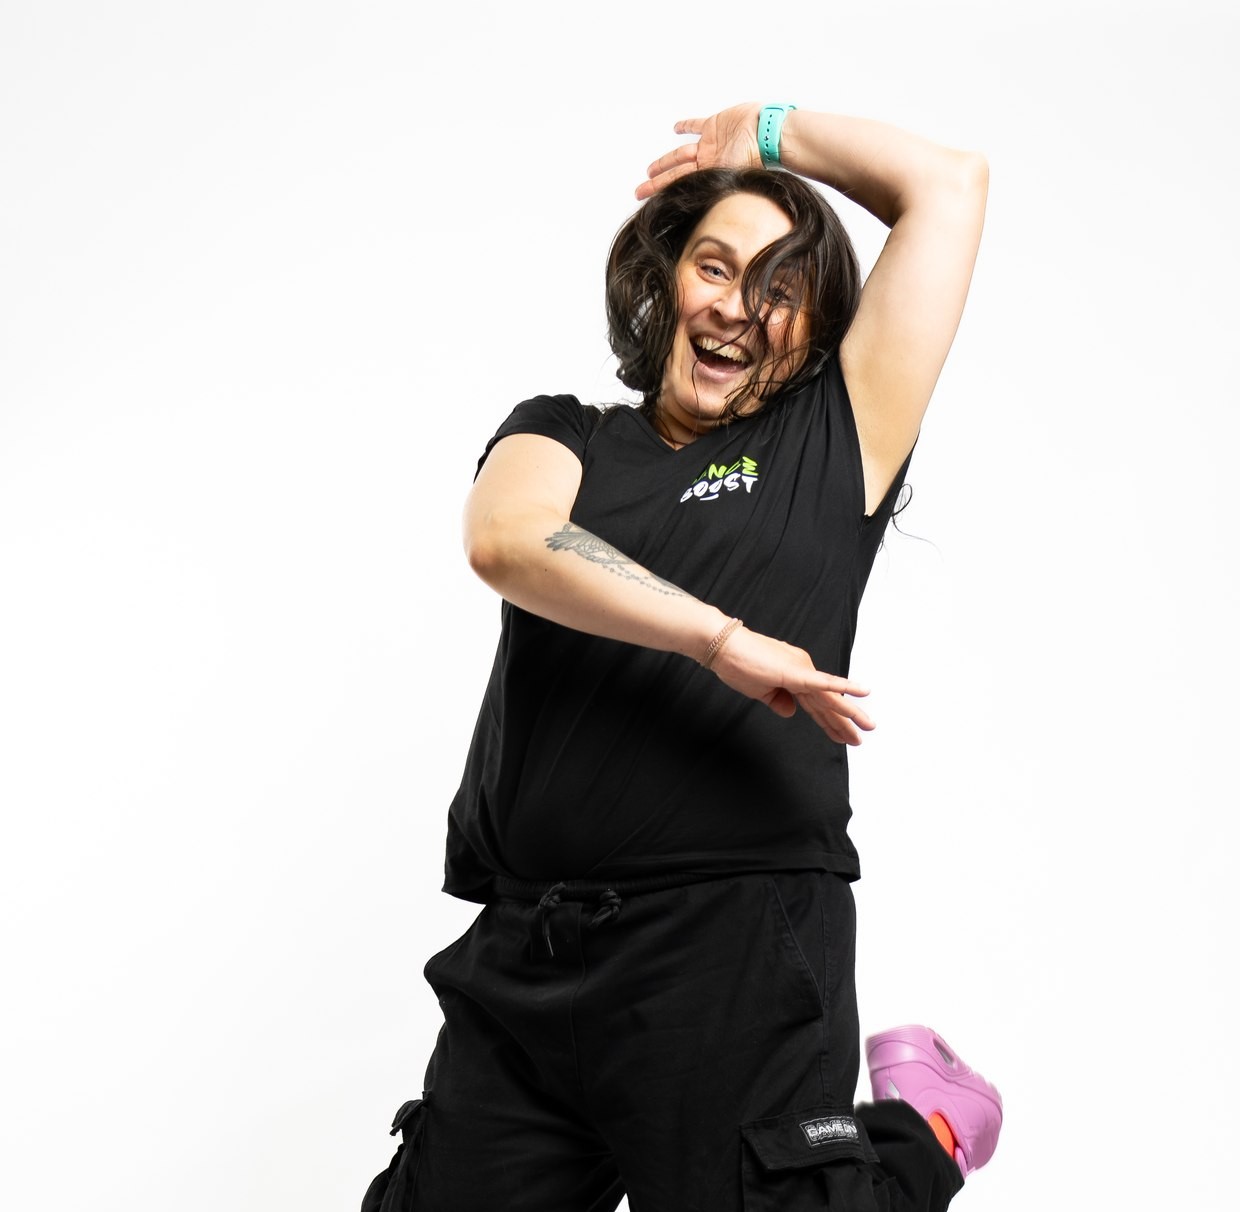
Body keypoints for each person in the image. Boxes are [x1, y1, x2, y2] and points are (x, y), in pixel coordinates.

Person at [361, 102, 999, 1212]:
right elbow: (507, 540)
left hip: (733, 950)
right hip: (531, 947)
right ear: (664, 279)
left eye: (780, 288)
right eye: (715, 266)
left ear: (813, 329)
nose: (738, 307)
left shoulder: (834, 439)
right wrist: (719, 638)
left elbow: (948, 186)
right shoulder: (562, 434)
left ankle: (922, 1132)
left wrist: (767, 134)